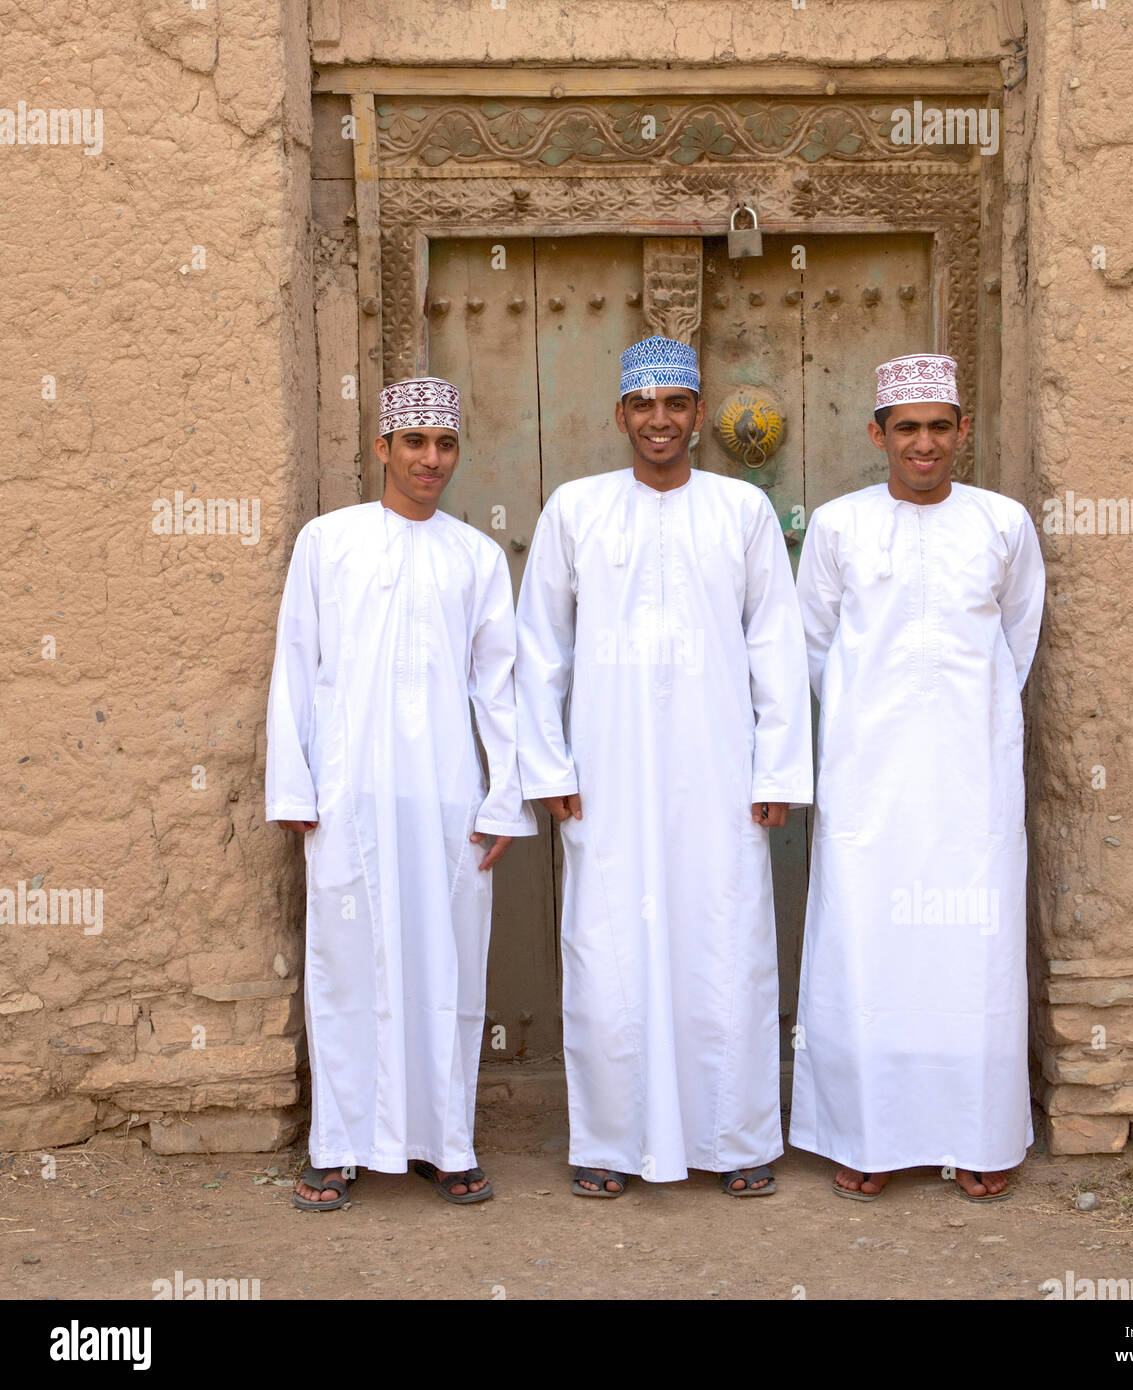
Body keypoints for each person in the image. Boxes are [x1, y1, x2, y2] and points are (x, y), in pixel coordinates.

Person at [514, 335, 812, 1198]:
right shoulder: (575, 508)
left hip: (720, 773)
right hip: (604, 775)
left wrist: (777, 772)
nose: (659, 421)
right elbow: (542, 649)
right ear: (620, 415)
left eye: (676, 405)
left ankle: (736, 1138)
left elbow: (776, 645)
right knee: (607, 949)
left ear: (696, 414)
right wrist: (550, 766)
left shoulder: (741, 512)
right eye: (643, 406)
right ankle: (610, 1142)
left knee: (728, 943)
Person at [265, 376, 536, 1211]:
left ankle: (443, 1142)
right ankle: (338, 1145)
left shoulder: (476, 556)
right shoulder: (328, 541)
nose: (430, 459)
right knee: (346, 968)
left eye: (444, 444)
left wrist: (506, 798)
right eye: (414, 442)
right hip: (348, 791)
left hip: (446, 796)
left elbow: (500, 686)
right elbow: (297, 666)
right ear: (382, 447)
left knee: (446, 965)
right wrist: (296, 782)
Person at [790, 353, 1045, 1203]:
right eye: (908, 427)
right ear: (878, 435)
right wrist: (873, 723)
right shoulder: (836, 527)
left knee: (972, 950)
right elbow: (815, 647)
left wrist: (961, 721)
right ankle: (867, 1136)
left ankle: (979, 1134)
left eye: (941, 425)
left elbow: (1015, 642)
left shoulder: (1003, 523)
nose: (925, 443)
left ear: (963, 431)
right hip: (870, 776)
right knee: (867, 946)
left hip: (973, 774)